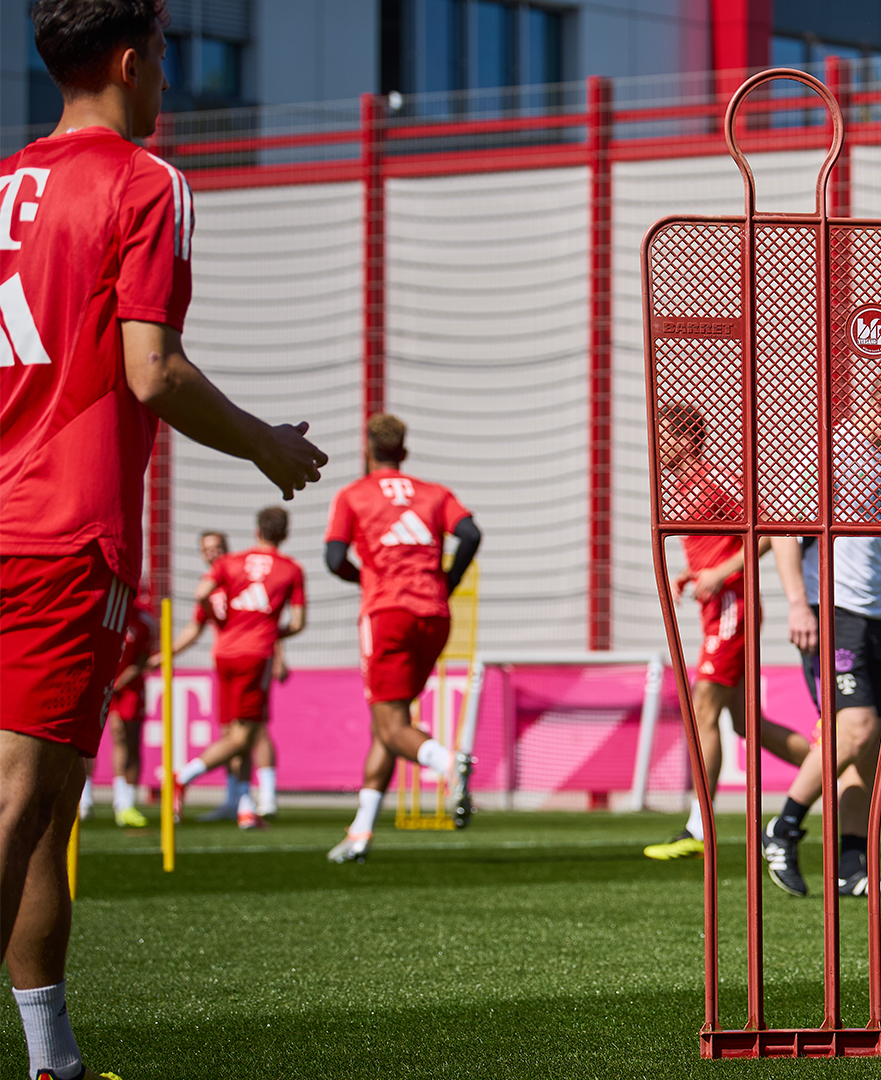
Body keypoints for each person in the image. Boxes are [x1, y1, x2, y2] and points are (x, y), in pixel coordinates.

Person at [0, 2, 327, 1075]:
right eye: (167, 62)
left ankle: (54, 1057)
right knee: (18, 804)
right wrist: (267, 448)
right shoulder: (147, 181)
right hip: (61, 531)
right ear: (136, 64)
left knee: (45, 812)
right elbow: (157, 371)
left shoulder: (4, 182)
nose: (168, 83)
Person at [761, 364, 881, 900]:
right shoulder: (833, 448)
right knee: (850, 731)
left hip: (876, 617)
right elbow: (784, 529)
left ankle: (852, 868)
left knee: (870, 745)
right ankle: (782, 829)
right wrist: (797, 605)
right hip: (831, 614)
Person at [643, 402, 812, 861]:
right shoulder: (682, 484)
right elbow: (712, 546)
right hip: (718, 608)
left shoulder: (712, 478)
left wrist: (720, 574)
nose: (660, 445)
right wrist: (695, 576)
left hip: (733, 608)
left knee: (703, 710)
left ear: (687, 438)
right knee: (745, 723)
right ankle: (823, 766)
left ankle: (700, 828)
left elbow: (767, 529)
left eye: (667, 436)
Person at [323, 412, 480, 863]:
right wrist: (445, 582)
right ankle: (361, 831)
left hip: (388, 613)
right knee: (388, 725)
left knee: (391, 725)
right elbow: (470, 533)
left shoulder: (353, 494)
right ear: (404, 452)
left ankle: (449, 764)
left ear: (367, 450)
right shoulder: (434, 493)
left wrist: (366, 579)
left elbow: (334, 558)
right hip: (433, 615)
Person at [169, 507, 305, 829]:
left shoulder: (229, 564)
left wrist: (223, 622)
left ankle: (245, 807)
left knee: (238, 732)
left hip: (224, 654)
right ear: (285, 534)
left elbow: (201, 593)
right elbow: (298, 623)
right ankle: (183, 776)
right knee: (248, 733)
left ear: (256, 531)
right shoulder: (291, 569)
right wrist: (272, 631)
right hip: (255, 655)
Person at [80, 595, 158, 828]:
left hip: (128, 686)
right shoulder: (98, 608)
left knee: (127, 738)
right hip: (97, 679)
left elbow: (142, 659)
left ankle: (125, 803)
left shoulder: (144, 620)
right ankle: (84, 799)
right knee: (84, 740)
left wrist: (118, 683)